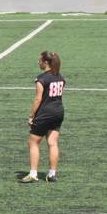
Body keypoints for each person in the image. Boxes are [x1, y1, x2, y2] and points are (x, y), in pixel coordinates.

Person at [21, 51, 64, 183]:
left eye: (39, 60)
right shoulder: (60, 77)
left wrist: (31, 115)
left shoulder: (41, 79)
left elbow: (38, 99)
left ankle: (33, 174)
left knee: (33, 142)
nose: (38, 62)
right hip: (58, 112)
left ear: (46, 63)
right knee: (52, 143)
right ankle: (52, 174)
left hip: (45, 113)